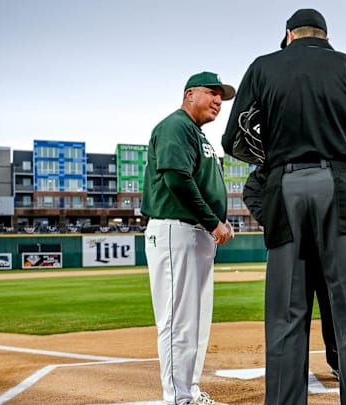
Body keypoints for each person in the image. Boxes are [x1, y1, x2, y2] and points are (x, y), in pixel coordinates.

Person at [222, 8, 346, 404]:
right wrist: (345, 157)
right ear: (327, 37)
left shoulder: (263, 67)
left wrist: (277, 156)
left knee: (286, 314)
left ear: (288, 35)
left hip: (284, 188)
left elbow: (234, 139)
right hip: (341, 188)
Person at [142, 71, 235, 405]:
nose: (218, 101)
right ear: (189, 94)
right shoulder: (176, 126)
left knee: (196, 319)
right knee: (177, 319)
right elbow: (177, 179)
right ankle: (177, 397)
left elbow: (199, 181)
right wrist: (213, 221)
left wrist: (217, 219)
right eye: (212, 93)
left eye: (221, 97)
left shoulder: (197, 134)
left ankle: (189, 390)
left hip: (195, 232)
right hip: (174, 229)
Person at [242, 166, 340, 379]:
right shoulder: (277, 156)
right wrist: (270, 219)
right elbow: (250, 190)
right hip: (289, 244)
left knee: (333, 307)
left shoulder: (327, 152)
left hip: (326, 244)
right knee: (291, 308)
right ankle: (291, 365)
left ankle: (338, 361)